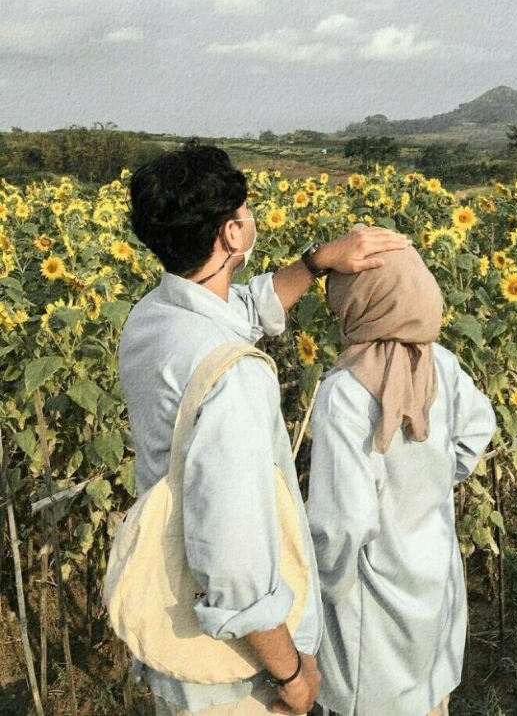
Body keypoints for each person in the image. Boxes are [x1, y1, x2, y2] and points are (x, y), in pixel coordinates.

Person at [117, 141, 410, 716]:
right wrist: (291, 671)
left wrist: (316, 261)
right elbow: (235, 560)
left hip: (175, 631)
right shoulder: (234, 377)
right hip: (234, 674)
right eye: (245, 213)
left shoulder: (152, 317)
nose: (252, 220)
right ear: (231, 234)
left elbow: (241, 311)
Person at [307, 243, 496, 716]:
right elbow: (478, 428)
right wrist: (433, 481)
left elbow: (344, 524)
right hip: (434, 573)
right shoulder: (440, 363)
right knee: (431, 700)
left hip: (373, 603)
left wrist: (321, 597)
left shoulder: (345, 393)